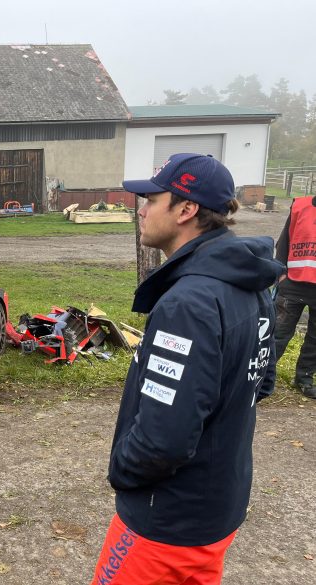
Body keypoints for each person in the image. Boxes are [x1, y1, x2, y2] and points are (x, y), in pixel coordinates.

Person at [92, 153, 283, 585]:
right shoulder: (251, 284)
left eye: (151, 200)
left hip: (167, 522)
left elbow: (163, 440)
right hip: (217, 508)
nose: (141, 210)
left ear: (186, 210)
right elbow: (262, 381)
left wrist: (122, 471)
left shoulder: (188, 304)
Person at [272, 196, 316, 399]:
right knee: (278, 333)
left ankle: (304, 379)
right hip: (293, 284)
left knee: (314, 339)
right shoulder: (300, 205)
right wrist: (281, 273)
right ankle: (262, 377)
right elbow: (284, 241)